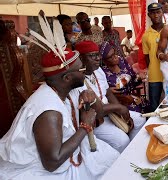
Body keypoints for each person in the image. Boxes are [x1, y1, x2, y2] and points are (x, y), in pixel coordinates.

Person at [0, 16, 119, 179]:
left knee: (114, 160)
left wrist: (91, 99)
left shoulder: (70, 88)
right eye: (80, 69)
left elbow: (98, 113)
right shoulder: (49, 112)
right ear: (67, 78)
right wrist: (85, 126)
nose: (84, 70)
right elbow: (52, 163)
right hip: (43, 169)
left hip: (71, 155)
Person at [75, 41, 146, 153]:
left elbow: (108, 92)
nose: (97, 58)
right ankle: (122, 159)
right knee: (122, 141)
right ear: (81, 58)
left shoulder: (98, 71)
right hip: (97, 120)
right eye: (92, 56)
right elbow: (96, 111)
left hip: (109, 111)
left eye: (97, 54)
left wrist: (120, 111)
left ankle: (132, 151)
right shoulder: (78, 80)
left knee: (140, 119)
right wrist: (119, 108)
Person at [100, 41, 149, 114]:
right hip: (119, 104)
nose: (115, 57)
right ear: (104, 61)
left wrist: (138, 78)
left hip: (134, 98)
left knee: (149, 109)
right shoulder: (102, 73)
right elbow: (102, 93)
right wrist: (108, 91)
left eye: (114, 53)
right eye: (111, 57)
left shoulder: (122, 62)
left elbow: (133, 80)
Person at [142, 3, 165, 112]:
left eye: (158, 12)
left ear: (162, 12)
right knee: (154, 105)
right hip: (154, 76)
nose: (156, 15)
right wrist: (152, 70)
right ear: (149, 15)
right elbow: (147, 57)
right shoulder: (146, 35)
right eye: (153, 13)